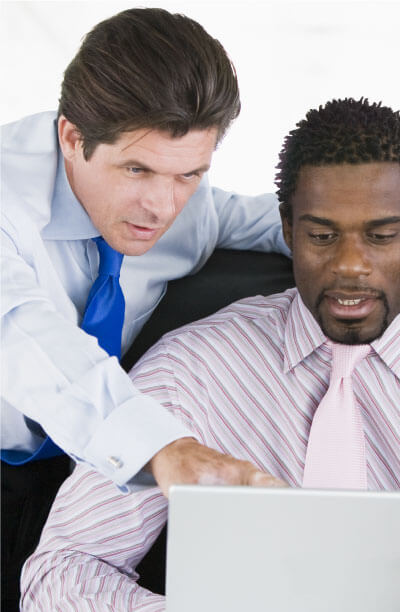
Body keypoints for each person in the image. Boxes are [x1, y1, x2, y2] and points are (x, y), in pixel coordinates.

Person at [21, 98, 400, 611]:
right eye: (322, 235)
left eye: (382, 235)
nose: (351, 266)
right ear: (286, 230)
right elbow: (60, 574)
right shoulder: (193, 369)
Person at [1, 8, 287, 611]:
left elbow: (287, 222)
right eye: (137, 169)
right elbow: (22, 336)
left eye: (188, 174)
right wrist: (164, 449)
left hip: (83, 485)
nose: (161, 206)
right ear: (72, 137)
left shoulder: (189, 210)